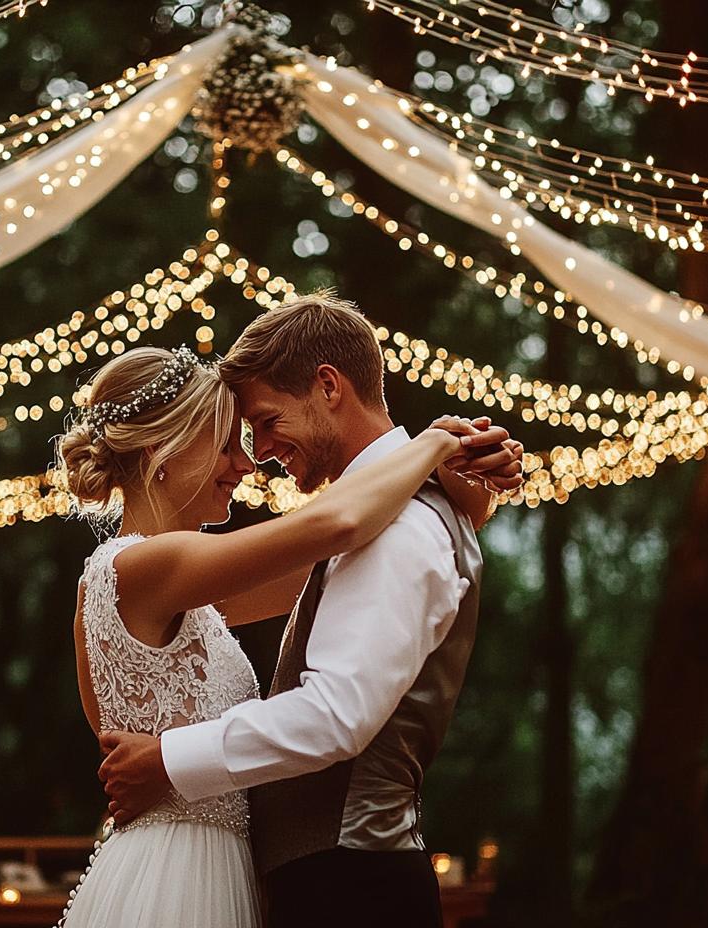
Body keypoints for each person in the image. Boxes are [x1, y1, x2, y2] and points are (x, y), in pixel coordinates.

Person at [57, 327, 521, 927]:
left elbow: (340, 555)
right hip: (179, 874)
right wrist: (436, 443)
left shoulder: (185, 593)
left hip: (229, 871)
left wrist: (464, 490)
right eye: (227, 444)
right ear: (161, 452)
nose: (246, 463)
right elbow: (338, 525)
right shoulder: (146, 567)